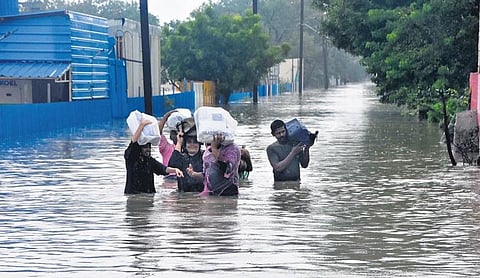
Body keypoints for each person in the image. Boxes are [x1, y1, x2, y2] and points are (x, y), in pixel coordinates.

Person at [124, 118, 184, 194]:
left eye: (149, 147)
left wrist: (175, 170)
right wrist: (141, 125)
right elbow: (133, 143)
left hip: (149, 195)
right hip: (133, 195)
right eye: (145, 147)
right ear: (139, 148)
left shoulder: (149, 161)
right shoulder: (131, 158)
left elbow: (163, 169)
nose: (148, 149)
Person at [168, 122, 204, 192]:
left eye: (195, 142)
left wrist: (194, 174)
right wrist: (179, 143)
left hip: (200, 195)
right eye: (189, 142)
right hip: (183, 196)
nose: (192, 145)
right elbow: (171, 165)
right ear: (185, 144)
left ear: (199, 144)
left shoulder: (204, 156)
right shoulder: (181, 157)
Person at [157, 109, 179, 181]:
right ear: (170, 136)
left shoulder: (187, 149)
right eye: (174, 133)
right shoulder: (166, 148)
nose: (176, 135)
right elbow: (158, 132)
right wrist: (166, 116)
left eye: (178, 133)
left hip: (180, 177)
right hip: (168, 178)